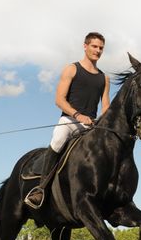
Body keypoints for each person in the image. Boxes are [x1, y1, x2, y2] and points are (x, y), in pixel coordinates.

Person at [24, 32, 110, 209]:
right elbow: (59, 100)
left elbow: (106, 106)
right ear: (85, 46)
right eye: (94, 46)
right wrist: (78, 115)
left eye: (101, 48)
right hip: (70, 121)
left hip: (90, 126)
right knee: (58, 140)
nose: (98, 50)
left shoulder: (104, 78)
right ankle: (40, 189)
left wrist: (103, 122)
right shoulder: (72, 69)